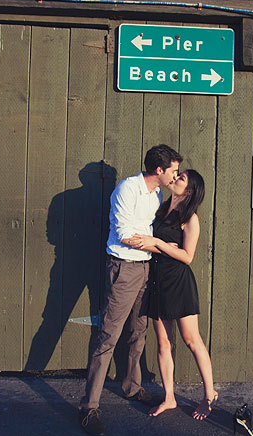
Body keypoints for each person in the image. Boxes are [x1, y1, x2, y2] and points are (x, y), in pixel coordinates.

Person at [79, 145, 182, 436]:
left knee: (138, 332)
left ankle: (131, 387)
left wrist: (151, 245)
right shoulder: (127, 189)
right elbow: (125, 236)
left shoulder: (157, 194)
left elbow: (144, 235)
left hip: (146, 267)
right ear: (159, 170)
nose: (175, 175)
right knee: (109, 335)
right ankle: (89, 407)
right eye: (173, 170)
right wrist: (161, 246)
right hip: (124, 269)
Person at [123, 169, 218, 421]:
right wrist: (157, 244)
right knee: (163, 342)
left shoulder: (190, 218)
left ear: (189, 191)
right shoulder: (161, 209)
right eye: (178, 175)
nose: (175, 178)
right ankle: (170, 398)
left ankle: (209, 394)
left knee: (191, 339)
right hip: (157, 280)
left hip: (178, 282)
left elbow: (187, 257)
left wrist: (159, 243)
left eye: (182, 178)